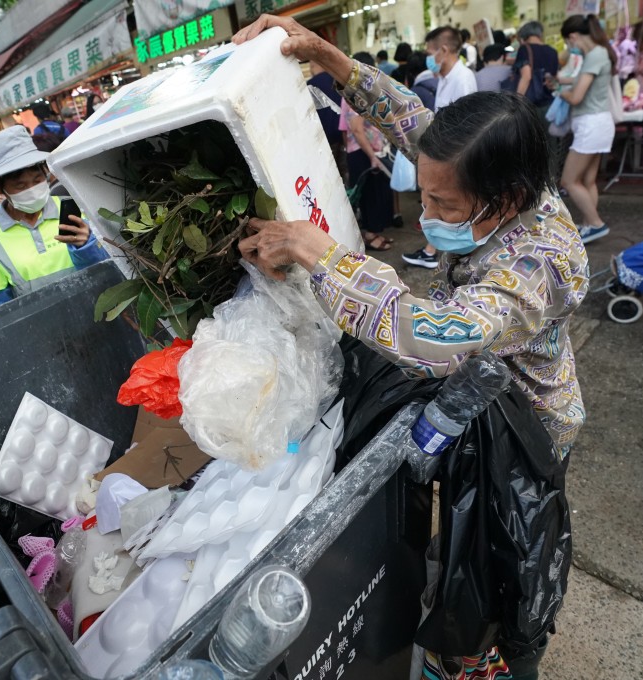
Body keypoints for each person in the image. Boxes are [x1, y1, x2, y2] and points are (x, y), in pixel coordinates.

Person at [233, 16, 586, 679]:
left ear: (507, 199)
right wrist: (328, 57)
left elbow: (435, 338)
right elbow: (413, 121)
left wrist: (321, 254)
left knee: (508, 569)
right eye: (423, 194)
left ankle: (513, 658)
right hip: (477, 403)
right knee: (458, 549)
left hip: (525, 432)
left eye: (443, 205)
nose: (425, 214)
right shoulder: (490, 170)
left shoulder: (540, 262)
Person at [0, 126, 108, 309]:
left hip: (98, 311)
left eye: (37, 180)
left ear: (45, 172)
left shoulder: (75, 208)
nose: (32, 190)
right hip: (45, 324)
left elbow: (108, 269)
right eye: (20, 186)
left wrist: (87, 246)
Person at [402, 26, 477, 270]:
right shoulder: (445, 77)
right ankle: (433, 251)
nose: (428, 58)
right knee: (438, 204)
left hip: (455, 154)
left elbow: (467, 123)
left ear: (443, 50)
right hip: (444, 152)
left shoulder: (462, 78)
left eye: (429, 53)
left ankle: (435, 252)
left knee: (448, 205)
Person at [551, 14, 616, 244]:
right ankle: (589, 224)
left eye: (568, 42)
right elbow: (578, 83)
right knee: (587, 181)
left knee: (569, 181)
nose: (570, 47)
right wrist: (561, 84)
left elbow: (577, 97)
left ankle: (596, 224)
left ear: (573, 37)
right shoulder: (598, 53)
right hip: (597, 124)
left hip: (591, 125)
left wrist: (560, 93)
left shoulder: (595, 55)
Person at [340, 52, 394, 251]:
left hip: (369, 151)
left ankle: (375, 232)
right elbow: (356, 129)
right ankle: (370, 235)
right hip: (363, 152)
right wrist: (372, 156)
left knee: (376, 193)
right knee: (369, 195)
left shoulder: (362, 90)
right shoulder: (356, 92)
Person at [514, 21, 560, 107]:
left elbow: (526, 76)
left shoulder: (524, 49)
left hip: (531, 103)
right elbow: (555, 78)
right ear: (540, 34)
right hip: (549, 102)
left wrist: (516, 103)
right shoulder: (553, 51)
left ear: (523, 35)